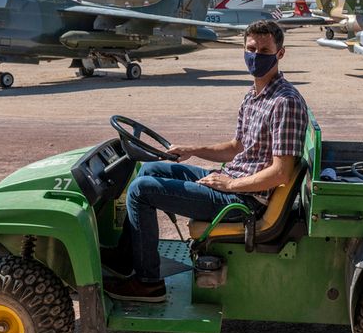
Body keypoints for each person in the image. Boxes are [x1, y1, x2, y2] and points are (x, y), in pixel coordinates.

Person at [102, 19, 309, 302]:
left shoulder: (284, 102)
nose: (256, 56)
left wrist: (230, 185)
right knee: (149, 169)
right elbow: (236, 147)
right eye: (251, 49)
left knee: (141, 191)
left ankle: (148, 283)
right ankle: (127, 258)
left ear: (280, 53)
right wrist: (192, 149)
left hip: (245, 201)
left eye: (264, 51)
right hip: (233, 182)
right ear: (243, 49)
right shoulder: (254, 96)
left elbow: (281, 173)